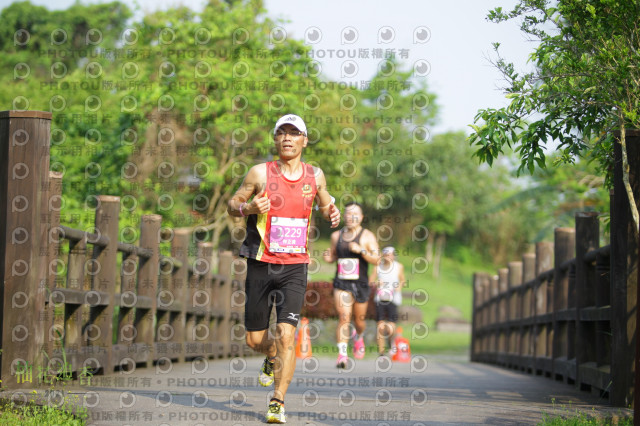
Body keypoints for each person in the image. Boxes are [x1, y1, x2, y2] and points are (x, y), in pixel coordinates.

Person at [228, 113, 340, 424]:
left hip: (295, 266)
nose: (287, 138)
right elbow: (232, 203)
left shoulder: (315, 175)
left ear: (305, 140)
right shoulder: (259, 173)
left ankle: (277, 400)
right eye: (282, 132)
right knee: (254, 340)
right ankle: (271, 355)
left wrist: (332, 209)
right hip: (261, 263)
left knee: (287, 335)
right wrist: (248, 208)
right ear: (275, 139)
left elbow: (325, 200)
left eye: (294, 133)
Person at [323, 202, 380, 368]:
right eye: (347, 214)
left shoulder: (367, 236)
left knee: (359, 321)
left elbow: (377, 260)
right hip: (341, 282)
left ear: (361, 217)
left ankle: (359, 336)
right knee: (344, 317)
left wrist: (361, 250)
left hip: (360, 283)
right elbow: (333, 256)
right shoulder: (336, 236)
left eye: (355, 214)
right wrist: (328, 258)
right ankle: (342, 355)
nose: (351, 217)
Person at [369, 246, 406, 356]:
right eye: (387, 255)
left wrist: (399, 286)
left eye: (391, 255)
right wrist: (376, 283)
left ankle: (391, 343)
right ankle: (381, 352)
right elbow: (370, 281)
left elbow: (403, 280)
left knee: (391, 327)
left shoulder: (399, 267)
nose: (389, 257)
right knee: (380, 325)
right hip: (380, 298)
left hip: (393, 298)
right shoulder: (377, 267)